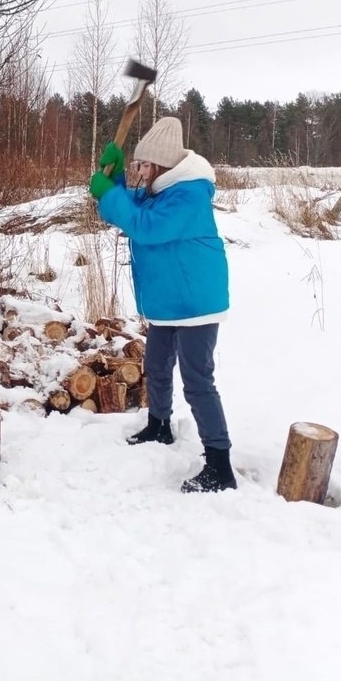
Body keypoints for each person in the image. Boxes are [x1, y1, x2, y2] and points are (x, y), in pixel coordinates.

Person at [89, 116, 235, 493]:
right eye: (136, 164)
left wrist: (113, 194)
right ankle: (159, 424)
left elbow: (145, 226)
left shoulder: (188, 194)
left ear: (160, 166)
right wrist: (113, 181)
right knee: (155, 365)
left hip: (195, 303)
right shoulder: (160, 192)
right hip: (170, 301)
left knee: (198, 382)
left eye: (142, 164)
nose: (139, 170)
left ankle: (220, 464)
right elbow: (119, 210)